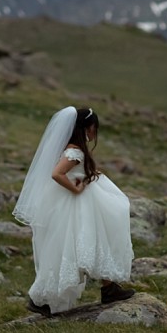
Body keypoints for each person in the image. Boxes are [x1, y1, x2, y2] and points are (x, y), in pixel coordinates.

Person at [13, 106, 135, 316]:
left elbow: (69, 171)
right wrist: (76, 189)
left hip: (81, 204)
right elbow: (57, 174)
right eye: (93, 128)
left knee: (90, 243)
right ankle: (43, 297)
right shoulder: (75, 151)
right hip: (79, 205)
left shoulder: (71, 149)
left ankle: (108, 287)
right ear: (85, 129)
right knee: (85, 244)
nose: (94, 133)